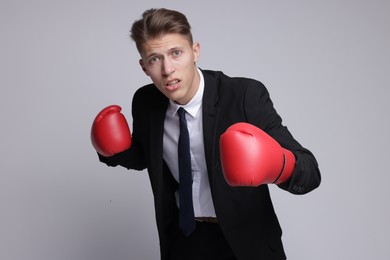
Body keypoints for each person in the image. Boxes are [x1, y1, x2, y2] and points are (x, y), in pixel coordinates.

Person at [91, 8, 321, 260]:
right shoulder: (146, 102)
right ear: (144, 66)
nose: (167, 69)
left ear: (195, 51)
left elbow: (310, 171)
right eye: (154, 59)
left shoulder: (243, 96)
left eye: (176, 53)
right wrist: (114, 151)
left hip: (245, 244)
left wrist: (279, 165)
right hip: (183, 241)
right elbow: (147, 158)